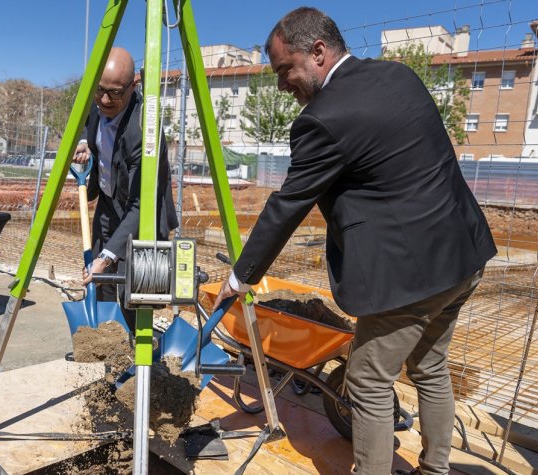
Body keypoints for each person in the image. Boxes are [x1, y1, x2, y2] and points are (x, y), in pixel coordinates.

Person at [212, 7, 497, 475]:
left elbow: (288, 206)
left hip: (410, 276)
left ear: (318, 52)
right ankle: (436, 470)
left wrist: (240, 278)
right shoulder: (398, 76)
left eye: (286, 70)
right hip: (463, 254)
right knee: (429, 368)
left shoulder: (323, 118)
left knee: (366, 381)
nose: (283, 85)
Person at [72, 47, 179, 333]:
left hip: (146, 218)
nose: (105, 100)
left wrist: (108, 257)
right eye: (100, 90)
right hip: (108, 207)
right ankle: (109, 350)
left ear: (134, 86)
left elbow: (142, 203)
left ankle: (141, 363)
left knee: (140, 298)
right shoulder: (96, 105)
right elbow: (85, 119)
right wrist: (83, 141)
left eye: (115, 93)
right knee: (103, 287)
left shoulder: (145, 130)